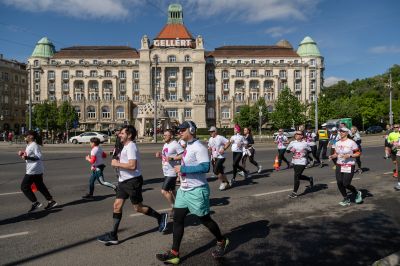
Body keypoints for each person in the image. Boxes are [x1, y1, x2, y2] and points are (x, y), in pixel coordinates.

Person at [156, 121, 229, 264]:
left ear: (191, 130)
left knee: (205, 220)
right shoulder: (187, 146)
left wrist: (182, 170)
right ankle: (174, 254)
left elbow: (205, 167)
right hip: (184, 190)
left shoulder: (198, 147)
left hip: (197, 190)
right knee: (177, 219)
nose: (179, 132)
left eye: (182, 130)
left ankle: (222, 240)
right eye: (178, 130)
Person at [97, 125, 168, 245]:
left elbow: (132, 165)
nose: (120, 135)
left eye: (122, 133)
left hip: (132, 181)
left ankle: (160, 217)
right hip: (123, 181)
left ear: (129, 135)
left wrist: (117, 163)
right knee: (117, 205)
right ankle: (113, 235)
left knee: (138, 208)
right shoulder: (124, 146)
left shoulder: (131, 146)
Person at [18, 130, 57, 212]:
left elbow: (39, 157)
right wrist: (23, 154)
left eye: (26, 135)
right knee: (40, 186)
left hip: (33, 169)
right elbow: (30, 155)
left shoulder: (34, 145)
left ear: (31, 136)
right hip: (35, 169)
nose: (24, 137)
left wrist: (27, 158)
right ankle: (51, 201)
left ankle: (35, 203)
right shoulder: (29, 145)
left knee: (24, 187)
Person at [329, 127, 363, 206]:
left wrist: (350, 155)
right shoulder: (337, 143)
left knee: (346, 183)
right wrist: (332, 156)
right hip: (339, 164)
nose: (341, 133)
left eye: (343, 132)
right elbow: (336, 153)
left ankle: (357, 193)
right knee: (339, 182)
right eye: (340, 131)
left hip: (349, 165)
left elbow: (358, 153)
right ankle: (346, 198)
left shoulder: (351, 142)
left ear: (347, 133)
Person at [155, 129, 184, 214]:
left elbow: (183, 155)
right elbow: (166, 157)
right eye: (163, 135)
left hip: (172, 172)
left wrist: (173, 158)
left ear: (171, 136)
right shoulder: (166, 144)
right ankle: (181, 204)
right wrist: (160, 156)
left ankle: (174, 207)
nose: (163, 136)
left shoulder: (175, 144)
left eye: (165, 135)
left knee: (164, 191)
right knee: (172, 190)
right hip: (166, 171)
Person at [286, 130, 314, 198]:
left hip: (302, 161)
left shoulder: (305, 143)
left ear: (302, 136)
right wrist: (291, 150)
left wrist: (305, 153)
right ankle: (309, 178)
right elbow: (287, 151)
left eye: (298, 134)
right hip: (295, 161)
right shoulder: (292, 142)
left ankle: (294, 193)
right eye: (296, 134)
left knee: (296, 177)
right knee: (298, 176)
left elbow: (310, 150)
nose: (296, 135)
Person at [207, 126, 230, 191]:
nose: (210, 133)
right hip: (214, 157)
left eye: (212, 131)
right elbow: (210, 148)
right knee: (220, 171)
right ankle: (227, 183)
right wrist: (209, 149)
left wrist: (224, 148)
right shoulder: (210, 139)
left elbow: (228, 142)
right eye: (210, 132)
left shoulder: (220, 137)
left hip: (221, 157)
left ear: (215, 131)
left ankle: (223, 182)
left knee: (215, 171)